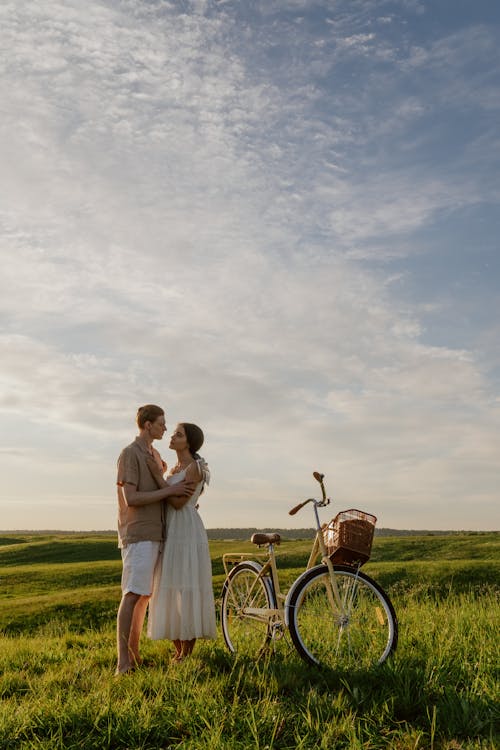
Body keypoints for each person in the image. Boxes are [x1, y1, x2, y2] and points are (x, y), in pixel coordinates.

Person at [115, 405, 194, 676]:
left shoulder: (156, 454)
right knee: (132, 594)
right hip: (138, 533)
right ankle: (122, 663)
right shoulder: (130, 453)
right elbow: (131, 499)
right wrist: (169, 490)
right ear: (147, 425)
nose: (164, 428)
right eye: (161, 423)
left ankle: (134, 657)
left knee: (144, 597)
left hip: (158, 532)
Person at [147, 422, 217, 661]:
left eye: (178, 434)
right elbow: (171, 496)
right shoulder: (173, 469)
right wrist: (166, 484)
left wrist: (160, 484)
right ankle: (178, 649)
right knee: (169, 585)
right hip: (170, 530)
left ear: (188, 442)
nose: (172, 436)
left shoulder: (194, 468)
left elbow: (178, 503)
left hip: (186, 529)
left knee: (187, 586)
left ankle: (187, 651)